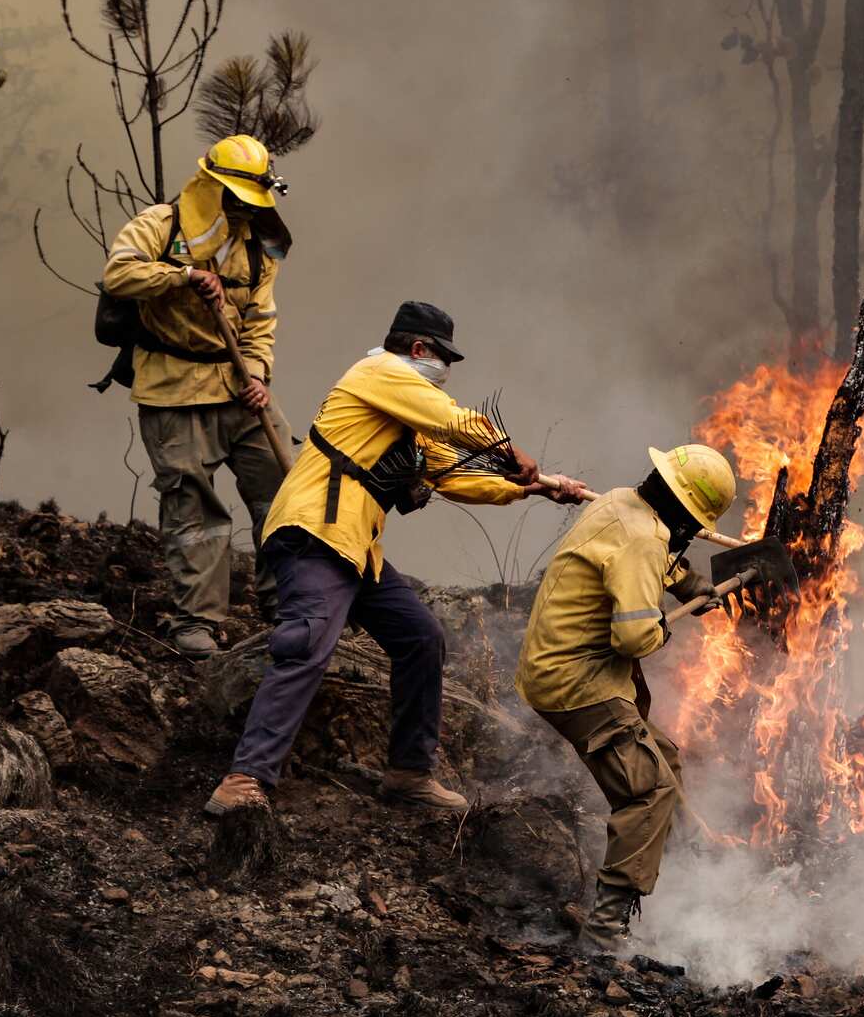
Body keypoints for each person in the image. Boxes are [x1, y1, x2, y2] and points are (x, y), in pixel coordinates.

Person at [204, 300, 588, 816]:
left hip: (356, 549)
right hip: (314, 530)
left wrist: (535, 490)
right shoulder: (378, 372)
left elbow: (456, 476)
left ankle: (408, 773)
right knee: (307, 642)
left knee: (421, 638)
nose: (444, 372)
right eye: (442, 358)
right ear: (417, 349)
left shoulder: (411, 424)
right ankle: (243, 779)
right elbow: (454, 421)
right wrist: (510, 449)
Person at [514, 443, 734, 949]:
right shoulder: (642, 542)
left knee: (666, 760)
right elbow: (635, 638)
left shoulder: (619, 502)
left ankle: (686, 877)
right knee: (648, 791)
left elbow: (647, 559)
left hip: (559, 666)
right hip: (578, 683)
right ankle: (605, 932)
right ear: (685, 512)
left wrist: (689, 583)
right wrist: (661, 626)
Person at [102, 134, 296, 659]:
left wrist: (257, 373)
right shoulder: (161, 225)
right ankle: (197, 625)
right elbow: (117, 271)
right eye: (232, 198)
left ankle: (291, 606)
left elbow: (261, 323)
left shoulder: (258, 246)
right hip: (174, 389)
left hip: (241, 391)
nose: (239, 210)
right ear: (211, 186)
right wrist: (182, 276)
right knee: (196, 511)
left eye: (248, 201)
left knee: (283, 494)